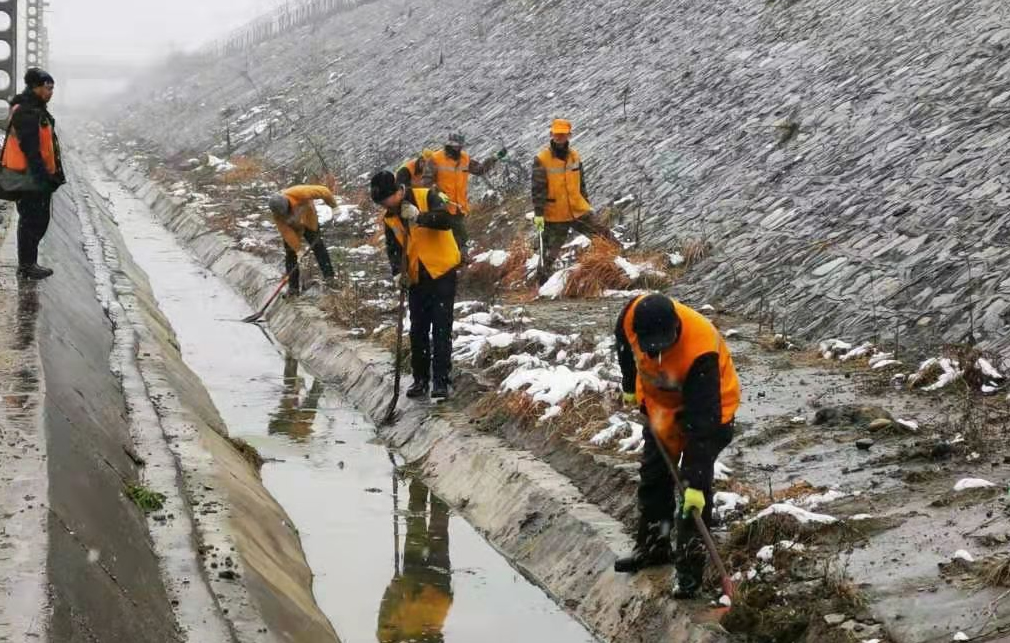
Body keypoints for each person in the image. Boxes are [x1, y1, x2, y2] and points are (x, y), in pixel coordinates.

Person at [613, 293, 739, 599]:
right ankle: (654, 549)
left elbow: (703, 425)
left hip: (710, 412)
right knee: (654, 475)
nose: (656, 353)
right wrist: (631, 386)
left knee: (692, 496)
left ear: (675, 330)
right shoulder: (630, 316)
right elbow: (623, 348)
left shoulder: (701, 350)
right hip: (661, 406)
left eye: (663, 345)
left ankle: (689, 575)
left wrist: (695, 479)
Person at [371, 170, 460, 400]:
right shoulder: (389, 218)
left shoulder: (427, 196)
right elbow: (393, 249)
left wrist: (419, 216)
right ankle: (420, 379)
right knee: (418, 329)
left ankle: (441, 380)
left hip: (441, 272)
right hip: (416, 278)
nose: (385, 206)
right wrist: (397, 273)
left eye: (386, 200)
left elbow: (446, 220)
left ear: (397, 192)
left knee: (441, 327)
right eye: (381, 203)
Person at [0, 68, 65, 280]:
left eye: (53, 88)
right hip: (29, 178)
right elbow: (30, 148)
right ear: (36, 87)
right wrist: (42, 177)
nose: (51, 92)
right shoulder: (27, 112)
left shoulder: (34, 108)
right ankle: (27, 266)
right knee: (32, 220)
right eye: (48, 87)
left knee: (36, 220)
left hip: (34, 176)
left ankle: (29, 263)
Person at [531, 119, 612, 278]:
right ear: (551, 134)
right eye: (557, 134)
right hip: (555, 214)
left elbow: (581, 184)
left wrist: (586, 203)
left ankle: (618, 271)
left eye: (563, 134)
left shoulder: (575, 156)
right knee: (548, 256)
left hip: (577, 210)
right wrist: (539, 214)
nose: (559, 137)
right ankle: (541, 284)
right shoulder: (542, 159)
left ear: (569, 135)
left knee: (605, 238)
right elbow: (538, 189)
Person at [376, 479, 453, 642]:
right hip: (428, 593)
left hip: (427, 593)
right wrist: (394, 589)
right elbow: (386, 618)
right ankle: (429, 480)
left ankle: (424, 480)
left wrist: (394, 589)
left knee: (427, 527)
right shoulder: (389, 638)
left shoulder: (389, 638)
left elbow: (386, 619)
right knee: (423, 528)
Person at [422, 133, 506, 258]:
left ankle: (458, 261)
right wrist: (437, 193)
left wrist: (495, 158)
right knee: (460, 236)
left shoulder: (465, 158)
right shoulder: (435, 159)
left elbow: (479, 170)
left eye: (459, 145)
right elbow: (426, 182)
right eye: (454, 145)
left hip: (459, 206)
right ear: (449, 144)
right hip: (441, 206)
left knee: (456, 237)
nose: (457, 148)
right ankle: (459, 259)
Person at [266, 185, 337, 296]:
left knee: (318, 247)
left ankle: (330, 278)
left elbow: (324, 191)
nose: (285, 214)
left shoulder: (300, 192)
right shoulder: (278, 216)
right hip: (293, 227)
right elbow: (287, 233)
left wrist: (334, 206)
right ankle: (293, 288)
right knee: (290, 254)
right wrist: (298, 250)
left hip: (308, 221)